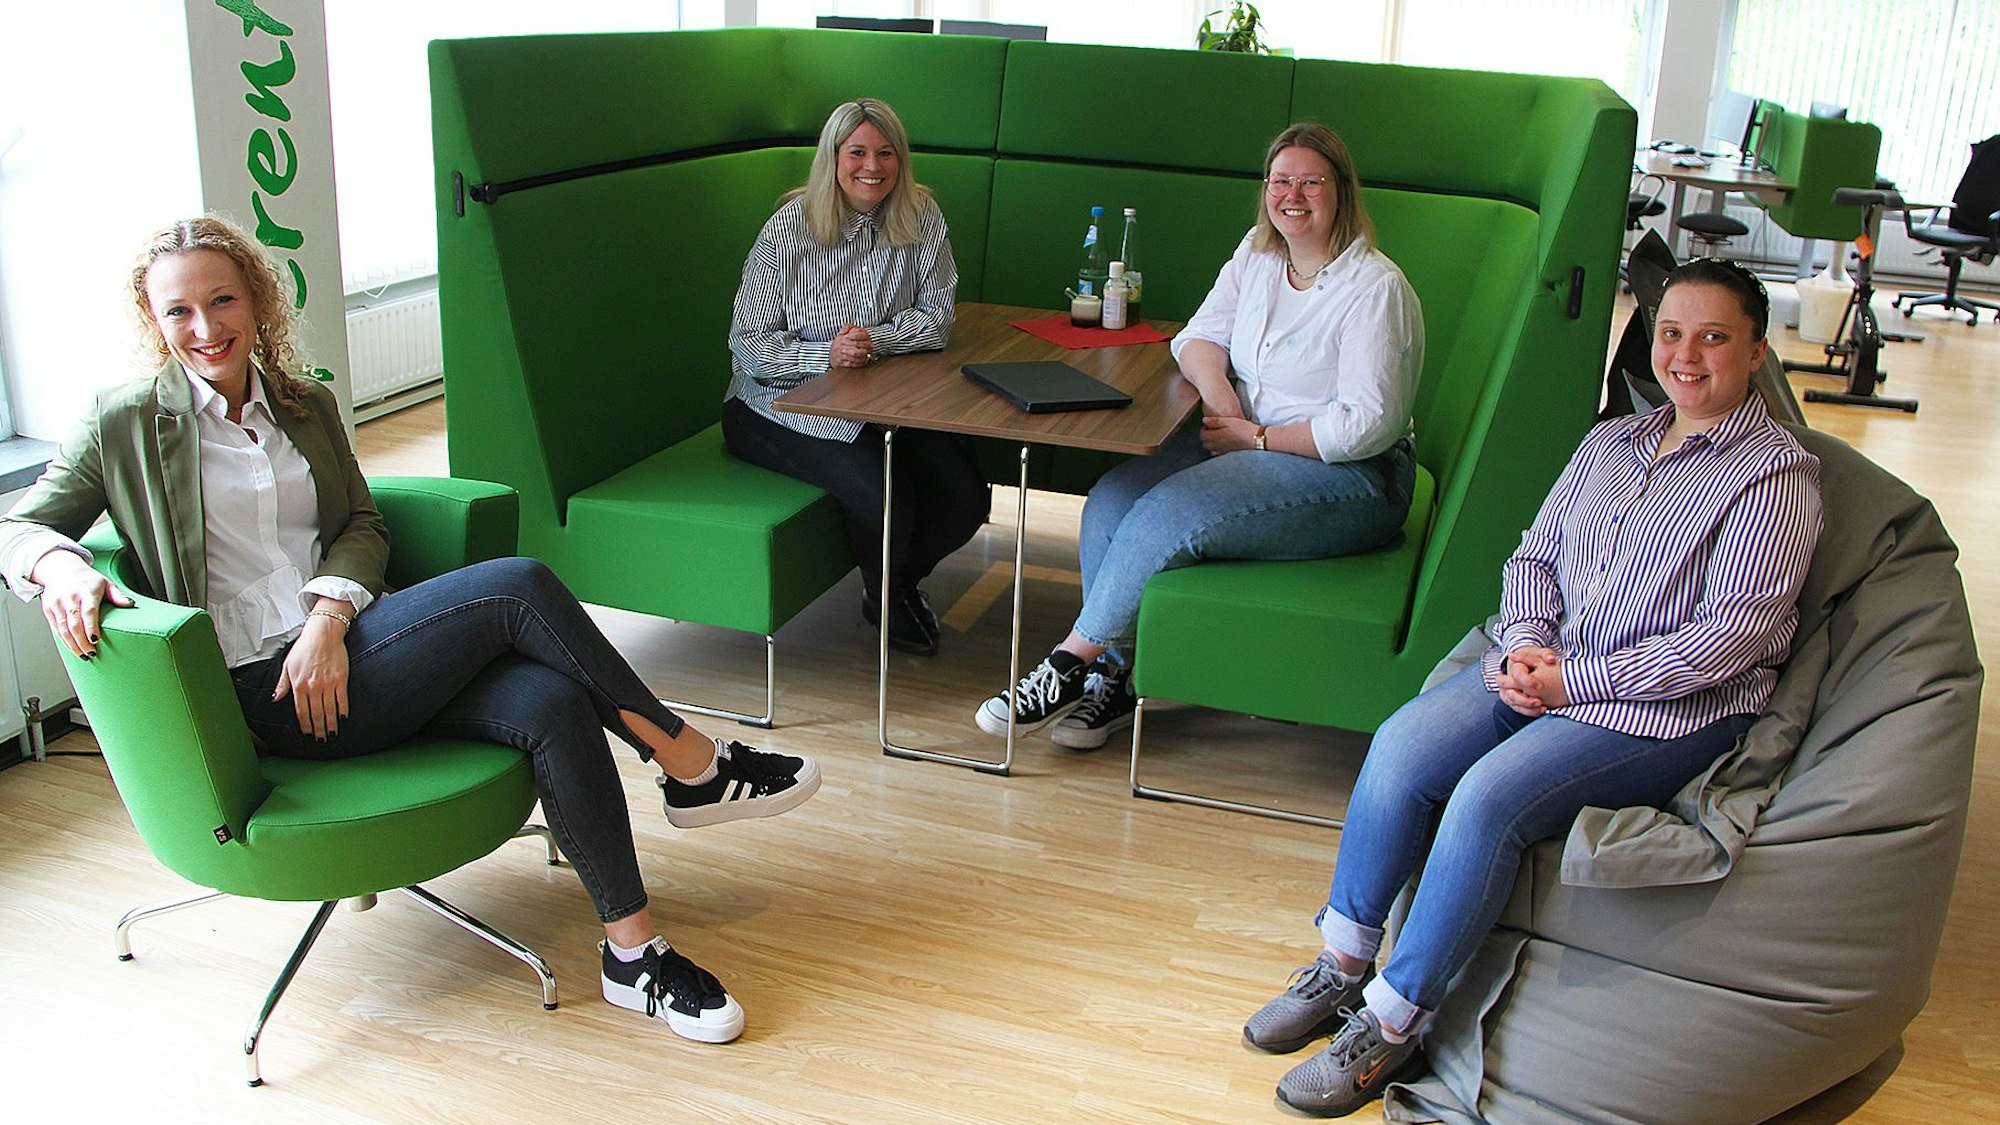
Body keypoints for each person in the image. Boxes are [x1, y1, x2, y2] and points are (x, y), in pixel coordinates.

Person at [0, 216, 824, 1047]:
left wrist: (328, 618)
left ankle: (632, 953)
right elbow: (18, 526)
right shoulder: (125, 420)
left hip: (354, 647)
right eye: (179, 311)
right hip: (271, 691)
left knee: (551, 701)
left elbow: (361, 521)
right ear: (153, 320)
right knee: (519, 585)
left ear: (256, 300)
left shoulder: (304, 403)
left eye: (223, 300)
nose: (205, 327)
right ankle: (692, 763)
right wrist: (61, 567)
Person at [1245, 258, 1823, 1118]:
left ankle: (1395, 1022)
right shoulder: (1611, 442)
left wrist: (1570, 680)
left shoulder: (1775, 476)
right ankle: (1344, 963)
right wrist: (1524, 644)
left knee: (1487, 797)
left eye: (1713, 338)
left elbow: (1727, 639)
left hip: (1665, 707)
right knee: (1400, 746)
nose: (1686, 355)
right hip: (1548, 665)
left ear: (1756, 351)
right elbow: (1534, 557)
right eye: (1671, 333)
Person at [973, 122, 1423, 748]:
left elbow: (1364, 425)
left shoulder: (1375, 287)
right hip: (1246, 439)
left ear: (1342, 191)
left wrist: (1257, 438)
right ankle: (1118, 678)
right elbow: (1198, 336)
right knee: (1111, 498)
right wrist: (1223, 403)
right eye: (1280, 181)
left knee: (1172, 509)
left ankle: (1066, 663)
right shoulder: (1259, 255)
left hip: (1354, 476)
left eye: (1311, 182)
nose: (1292, 196)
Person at [724, 97, 988, 657]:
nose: (873, 166)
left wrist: (873, 343)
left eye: (886, 153)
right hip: (777, 405)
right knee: (889, 498)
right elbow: (748, 345)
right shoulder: (789, 228)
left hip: (881, 398)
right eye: (858, 152)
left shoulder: (921, 214)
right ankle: (889, 599)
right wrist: (826, 354)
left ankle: (890, 586)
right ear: (833, 156)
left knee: (966, 498)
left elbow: (937, 319)